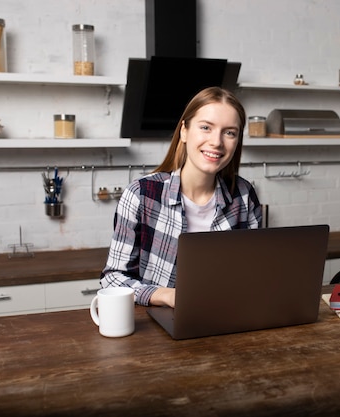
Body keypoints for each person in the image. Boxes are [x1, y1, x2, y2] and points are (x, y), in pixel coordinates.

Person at [100, 86, 262, 308]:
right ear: (184, 131)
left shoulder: (244, 195)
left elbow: (255, 272)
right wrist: (166, 296)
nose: (216, 141)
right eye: (206, 127)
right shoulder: (141, 194)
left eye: (229, 132)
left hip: (227, 317)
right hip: (158, 325)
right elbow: (112, 280)